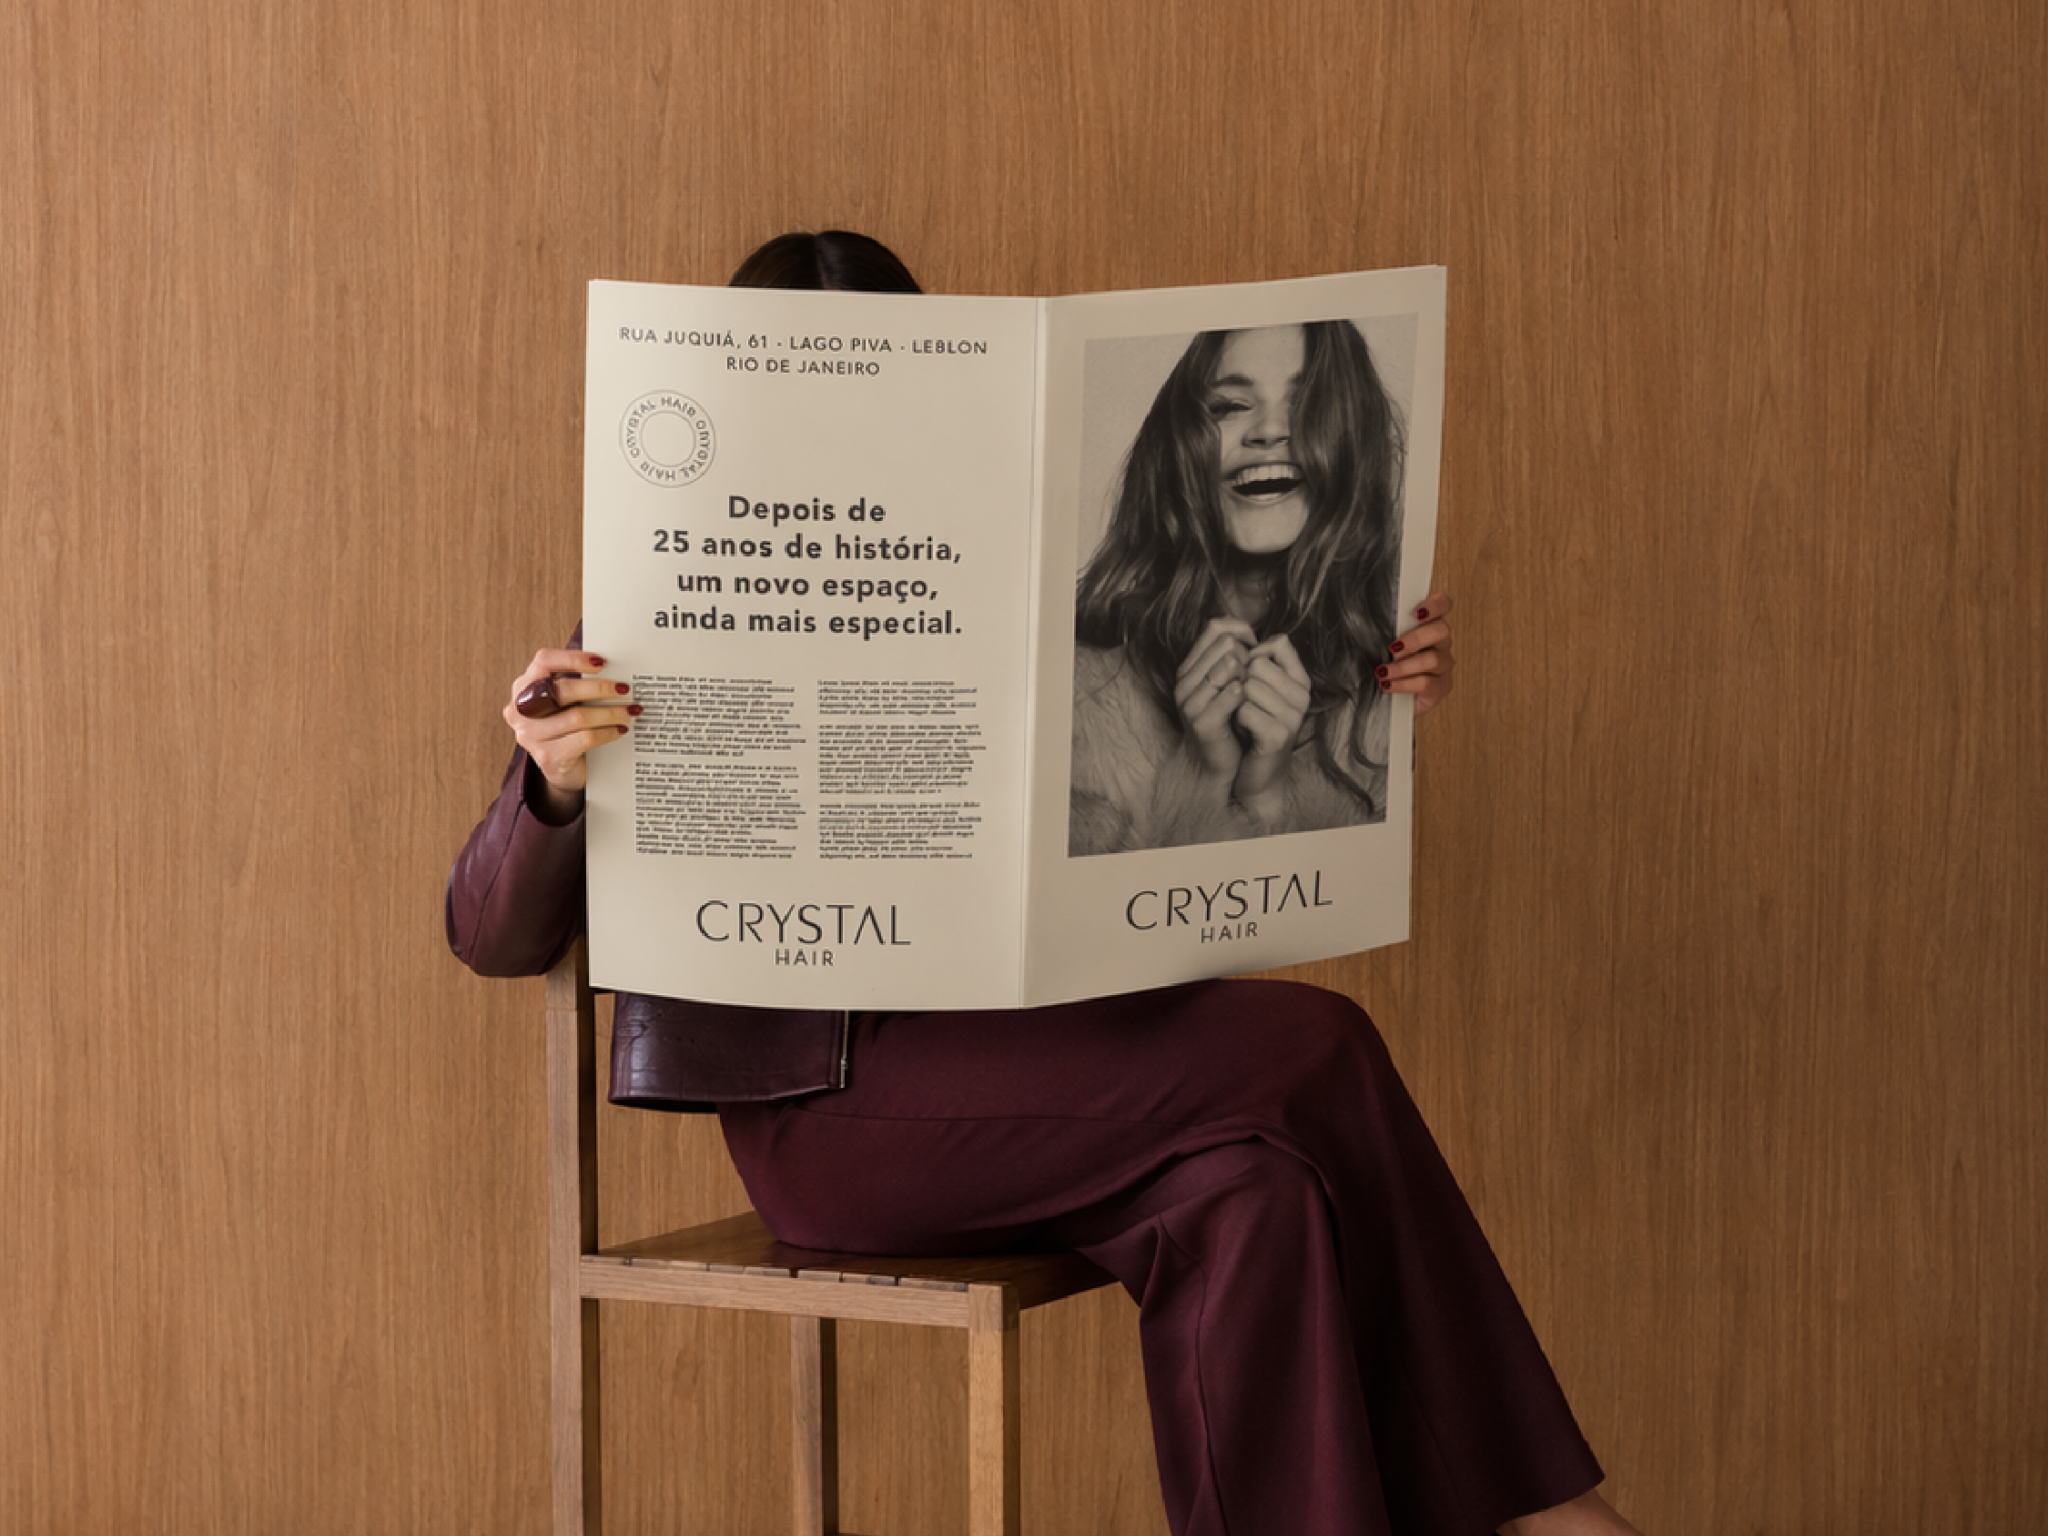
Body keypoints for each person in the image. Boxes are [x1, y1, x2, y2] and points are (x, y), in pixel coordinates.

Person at [447, 230, 1642, 1536]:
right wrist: (552, 782)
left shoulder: (1025, 599)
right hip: (831, 1117)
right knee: (1319, 1044)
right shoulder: (661, 605)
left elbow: (1169, 830)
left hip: (1049, 1077)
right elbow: (487, 933)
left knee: (1256, 1199)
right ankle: (1548, 1517)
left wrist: (1368, 693)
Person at [1072, 319, 1404, 854]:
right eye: (1229, 406)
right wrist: (1201, 775)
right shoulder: (1077, 699)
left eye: (1307, 403)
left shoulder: (1396, 688)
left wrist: (1266, 797)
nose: (1270, 431)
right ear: (1177, 444)